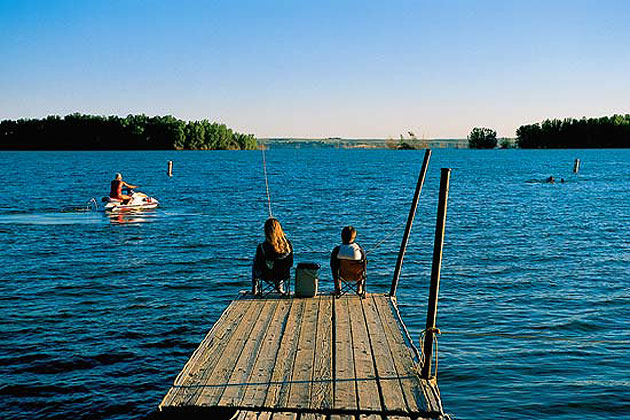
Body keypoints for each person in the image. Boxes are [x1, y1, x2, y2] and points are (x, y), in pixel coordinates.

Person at [252, 218, 293, 297]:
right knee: (279, 266)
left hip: (266, 275)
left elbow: (259, 264)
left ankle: (255, 288)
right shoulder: (288, 245)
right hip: (283, 274)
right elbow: (290, 263)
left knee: (254, 261)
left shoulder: (262, 247)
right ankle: (279, 287)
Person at [330, 226, 366, 296]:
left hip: (342, 275)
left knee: (334, 264)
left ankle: (338, 288)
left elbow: (332, 265)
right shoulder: (358, 249)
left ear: (342, 237)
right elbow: (364, 262)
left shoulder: (337, 249)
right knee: (363, 264)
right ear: (354, 237)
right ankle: (359, 288)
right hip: (357, 276)